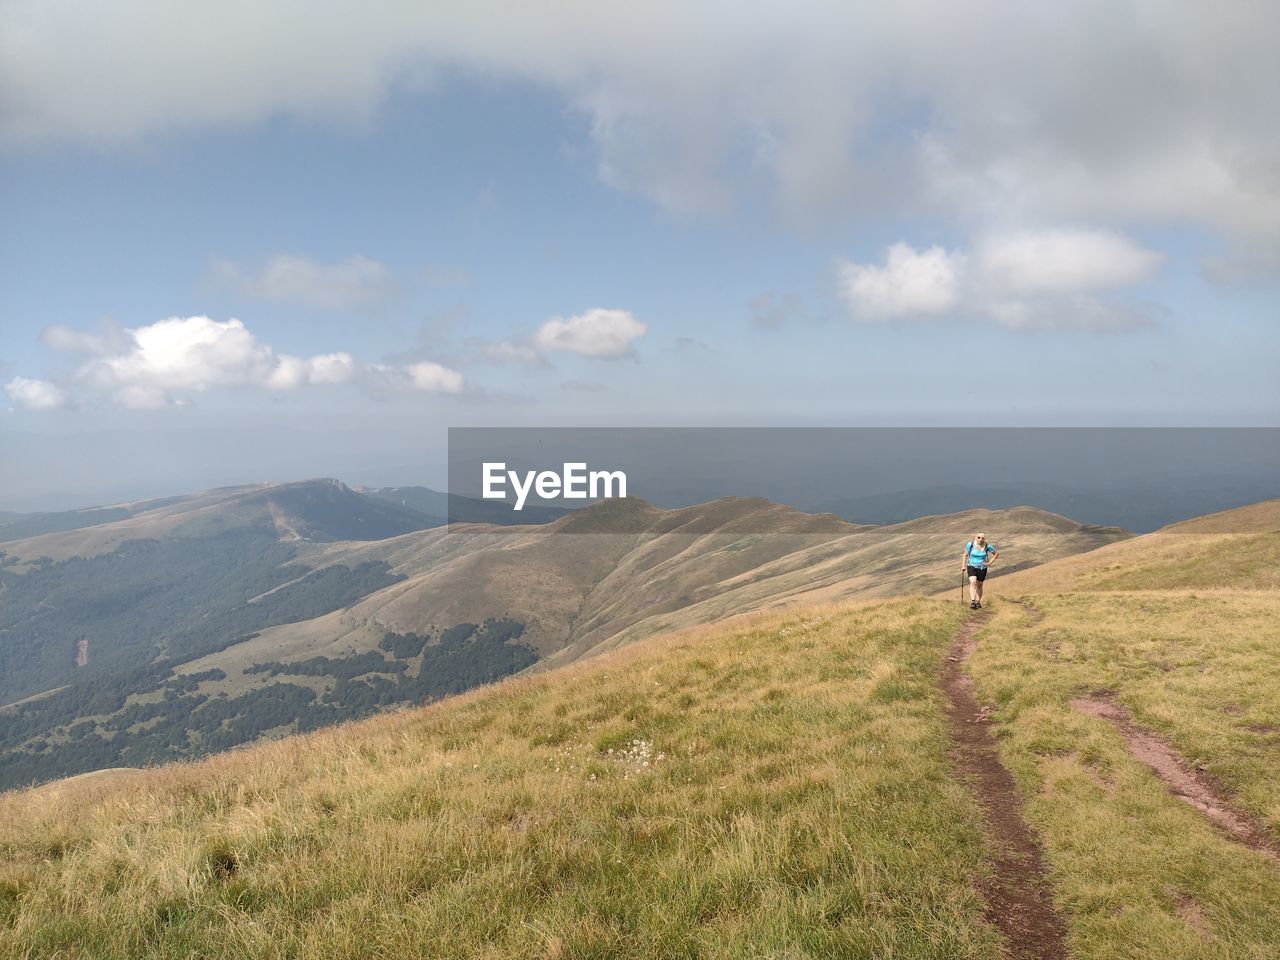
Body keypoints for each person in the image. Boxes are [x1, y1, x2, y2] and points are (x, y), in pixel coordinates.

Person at [962, 533, 998, 609]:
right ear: (975, 537)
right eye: (978, 537)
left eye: (982, 538)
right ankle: (973, 601)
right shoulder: (970, 544)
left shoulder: (987, 546)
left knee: (980, 584)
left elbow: (996, 554)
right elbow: (965, 555)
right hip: (971, 566)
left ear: (984, 539)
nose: (980, 539)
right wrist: (963, 566)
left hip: (982, 568)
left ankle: (978, 602)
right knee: (973, 582)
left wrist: (989, 563)